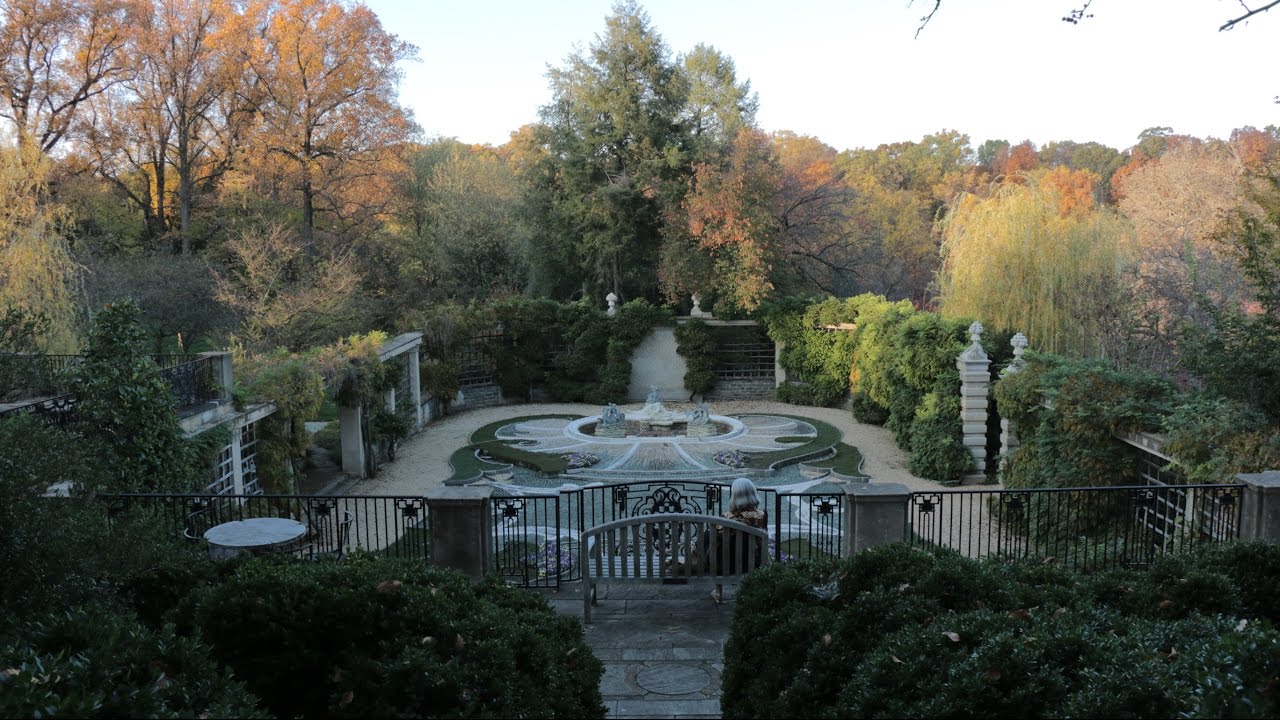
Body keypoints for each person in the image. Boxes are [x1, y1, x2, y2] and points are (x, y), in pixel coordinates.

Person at [709, 477, 767, 603]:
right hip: (752, 564)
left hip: (725, 565)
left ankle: (718, 591)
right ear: (752, 493)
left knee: (710, 540)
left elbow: (716, 542)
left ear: (734, 496)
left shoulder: (725, 517)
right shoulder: (762, 516)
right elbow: (762, 542)